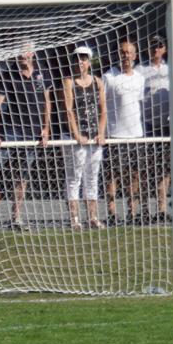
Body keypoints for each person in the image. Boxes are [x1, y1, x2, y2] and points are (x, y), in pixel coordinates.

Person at [0, 44, 52, 229]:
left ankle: (16, 217)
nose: (21, 56)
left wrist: (46, 129)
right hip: (12, 130)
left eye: (24, 52)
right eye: (18, 53)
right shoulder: (9, 75)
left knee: (23, 175)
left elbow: (47, 102)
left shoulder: (42, 74)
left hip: (32, 132)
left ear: (31, 53)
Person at [61, 45, 108, 230]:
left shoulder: (97, 81)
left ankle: (93, 217)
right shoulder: (69, 82)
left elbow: (103, 109)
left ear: (89, 61)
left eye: (84, 58)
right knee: (74, 177)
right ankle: (74, 219)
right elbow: (69, 110)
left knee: (92, 177)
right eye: (77, 58)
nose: (80, 61)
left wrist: (101, 132)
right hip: (75, 138)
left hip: (94, 136)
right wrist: (76, 134)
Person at [102, 40, 146, 225]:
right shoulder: (109, 76)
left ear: (135, 56)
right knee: (113, 176)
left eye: (129, 53)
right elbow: (102, 106)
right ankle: (112, 213)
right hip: (114, 134)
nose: (126, 56)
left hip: (136, 134)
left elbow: (140, 103)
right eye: (122, 52)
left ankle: (132, 212)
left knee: (134, 175)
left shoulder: (140, 78)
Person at [136, 35, 171, 221]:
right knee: (145, 169)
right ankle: (144, 209)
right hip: (146, 125)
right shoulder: (140, 70)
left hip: (166, 125)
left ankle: (162, 209)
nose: (155, 50)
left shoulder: (171, 69)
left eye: (159, 46)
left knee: (165, 170)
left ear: (164, 49)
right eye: (152, 46)